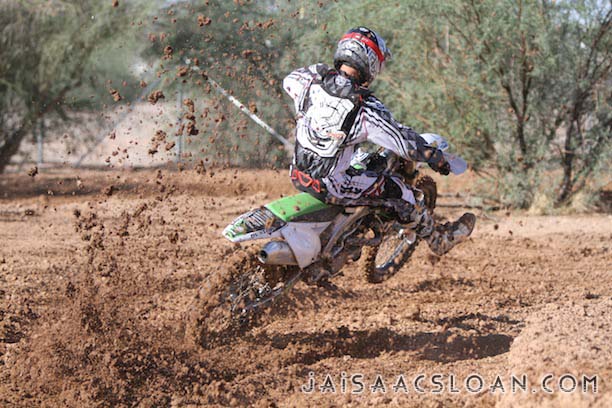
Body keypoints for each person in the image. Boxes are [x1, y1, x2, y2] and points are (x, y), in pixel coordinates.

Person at [282, 26, 475, 256]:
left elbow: (288, 81)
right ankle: (438, 240)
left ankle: (347, 231)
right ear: (370, 62)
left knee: (359, 161)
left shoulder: (310, 79)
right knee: (403, 194)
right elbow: (404, 144)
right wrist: (436, 158)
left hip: (298, 173)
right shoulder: (366, 109)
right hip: (332, 185)